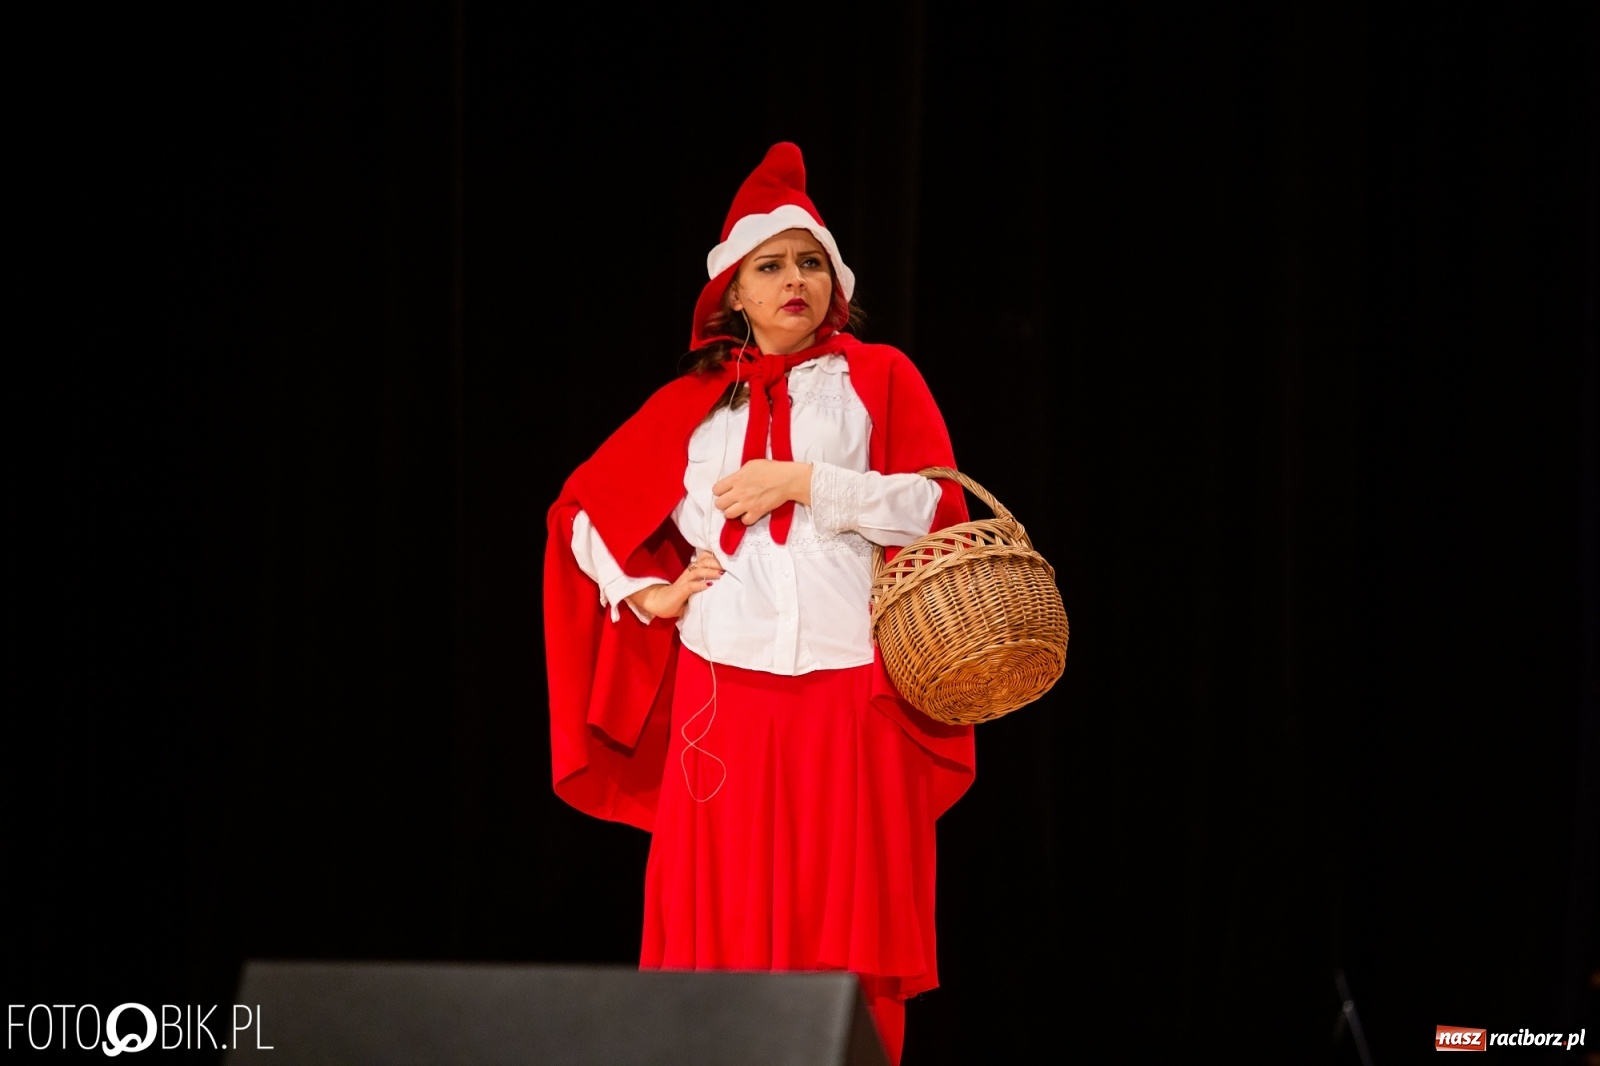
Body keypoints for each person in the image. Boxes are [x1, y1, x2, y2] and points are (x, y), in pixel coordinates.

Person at [543, 142, 976, 1065]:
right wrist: (648, 593)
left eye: (809, 262)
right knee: (723, 940)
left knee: (847, 943)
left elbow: (935, 506)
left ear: (834, 282)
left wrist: (805, 482)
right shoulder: (696, 404)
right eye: (770, 266)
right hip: (722, 707)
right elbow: (582, 514)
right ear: (734, 292)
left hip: (851, 701)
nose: (793, 281)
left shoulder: (877, 376)